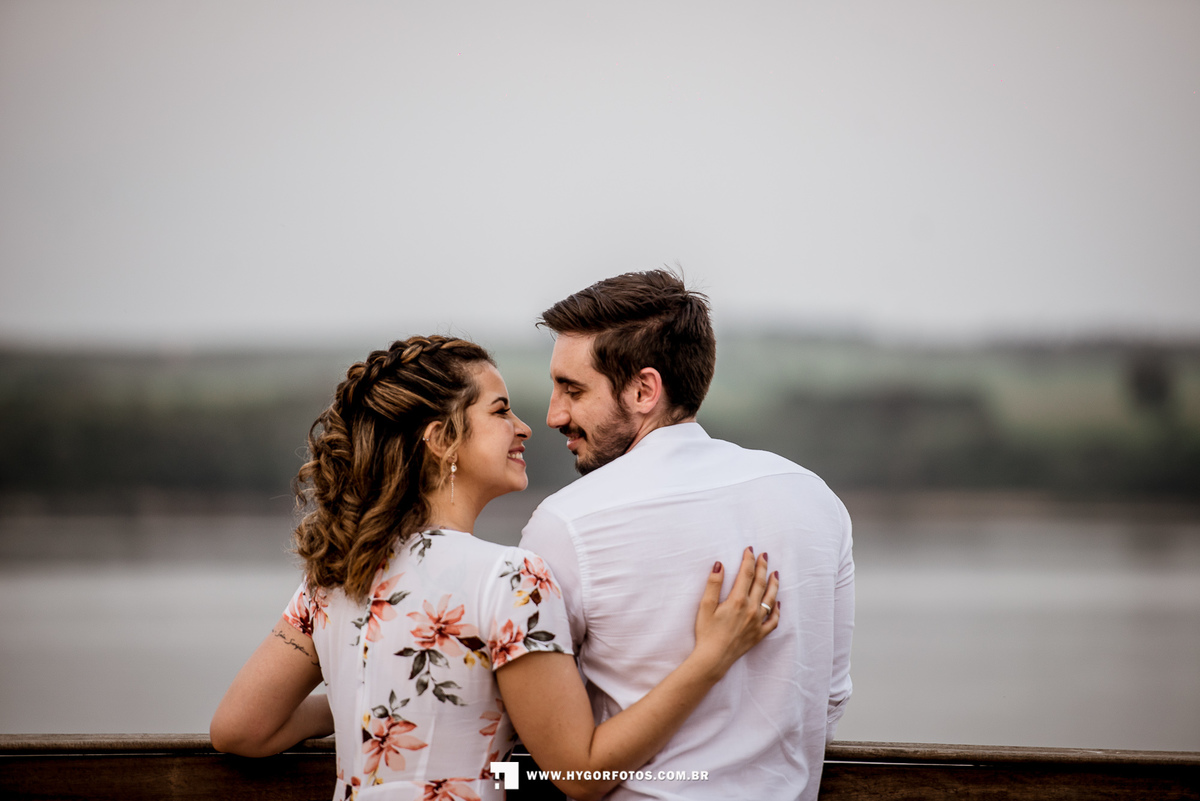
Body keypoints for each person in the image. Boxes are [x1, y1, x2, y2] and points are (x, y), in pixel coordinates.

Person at [210, 335, 780, 801]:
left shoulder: (333, 579)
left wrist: (361, 707)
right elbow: (581, 773)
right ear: (442, 440)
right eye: (501, 410)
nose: (525, 427)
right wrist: (709, 659)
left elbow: (240, 729)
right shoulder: (511, 579)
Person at [520, 270, 855, 801]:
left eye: (573, 389)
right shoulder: (814, 498)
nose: (553, 414)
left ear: (643, 390)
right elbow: (829, 698)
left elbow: (563, 759)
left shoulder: (568, 523)